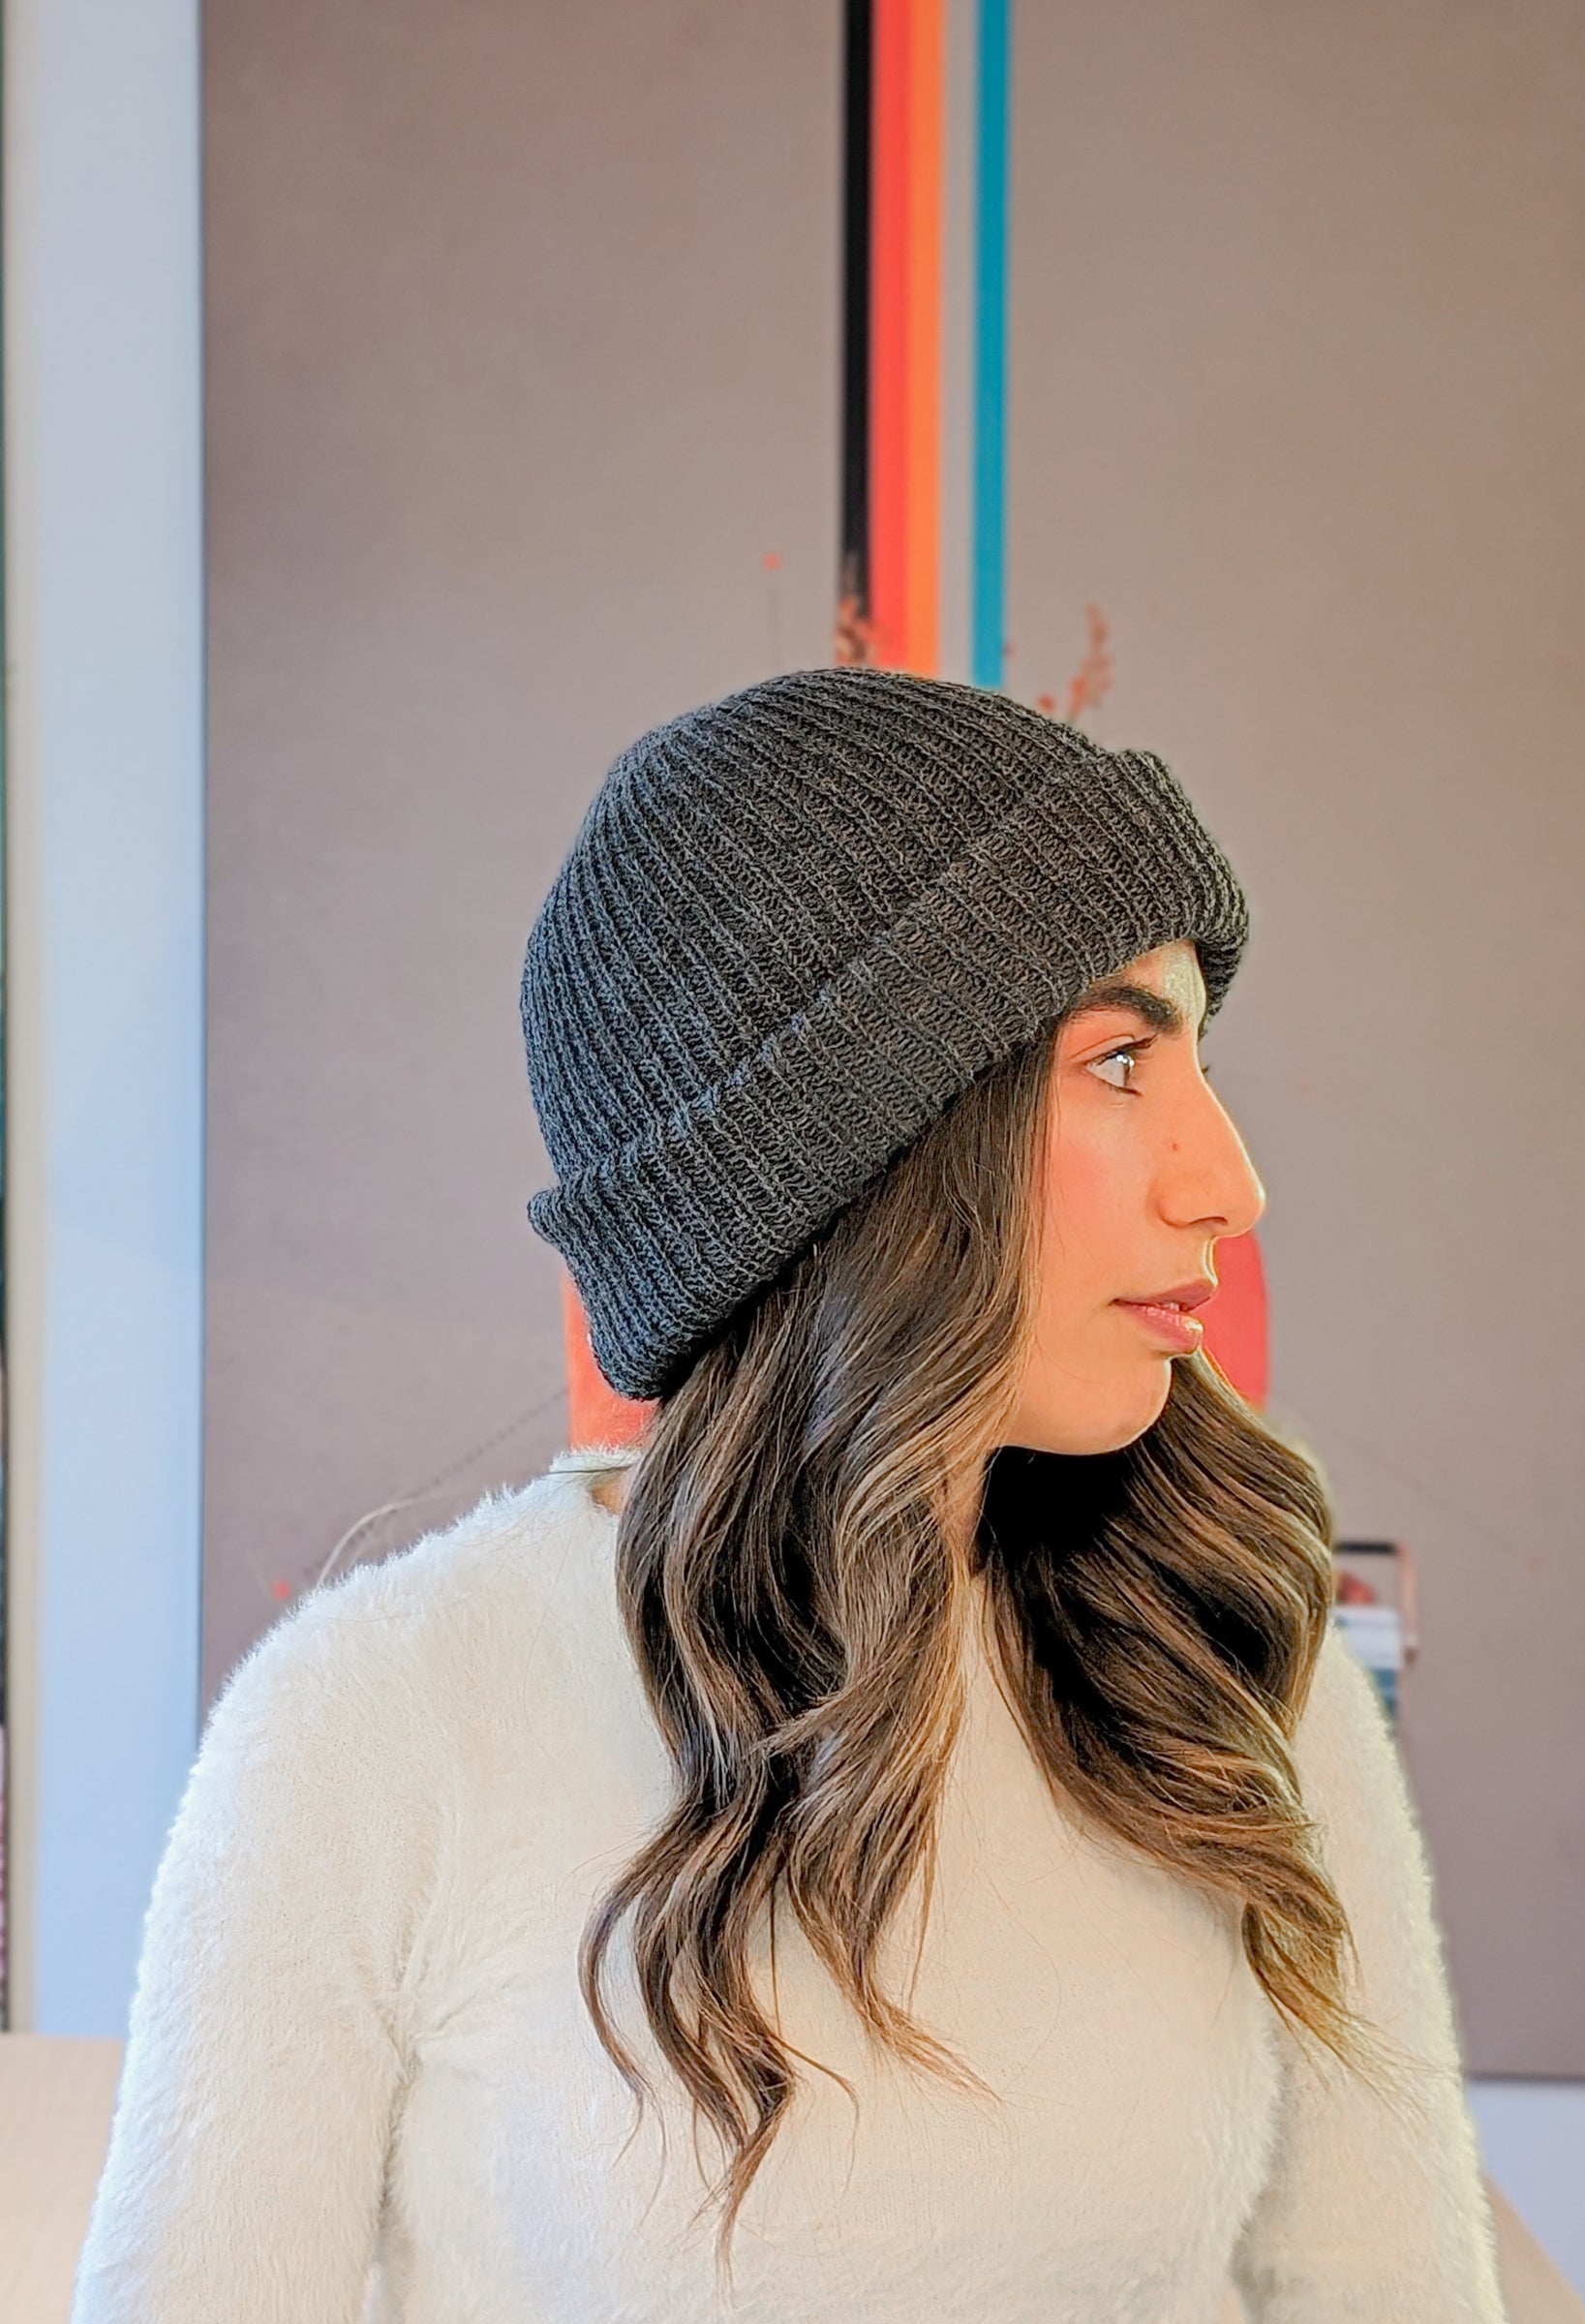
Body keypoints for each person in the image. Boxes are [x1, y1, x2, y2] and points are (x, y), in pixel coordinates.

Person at [70, 665, 1509, 2320]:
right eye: (1122, 1060)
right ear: (856, 1158)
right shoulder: (377, 1723)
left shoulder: (1227, 1662)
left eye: (1198, 1054)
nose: (1231, 1184)